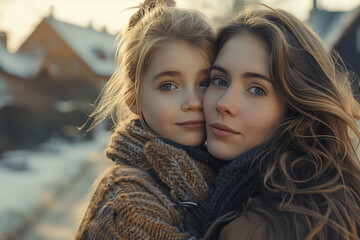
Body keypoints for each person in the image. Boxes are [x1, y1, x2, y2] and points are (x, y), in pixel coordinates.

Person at [202, 3, 360, 240]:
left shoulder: (263, 227)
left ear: (295, 109)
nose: (225, 104)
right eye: (220, 81)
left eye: (257, 90)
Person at [74, 0, 221, 239]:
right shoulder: (127, 205)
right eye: (168, 86)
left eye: (205, 83)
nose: (193, 101)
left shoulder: (212, 175)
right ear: (134, 100)